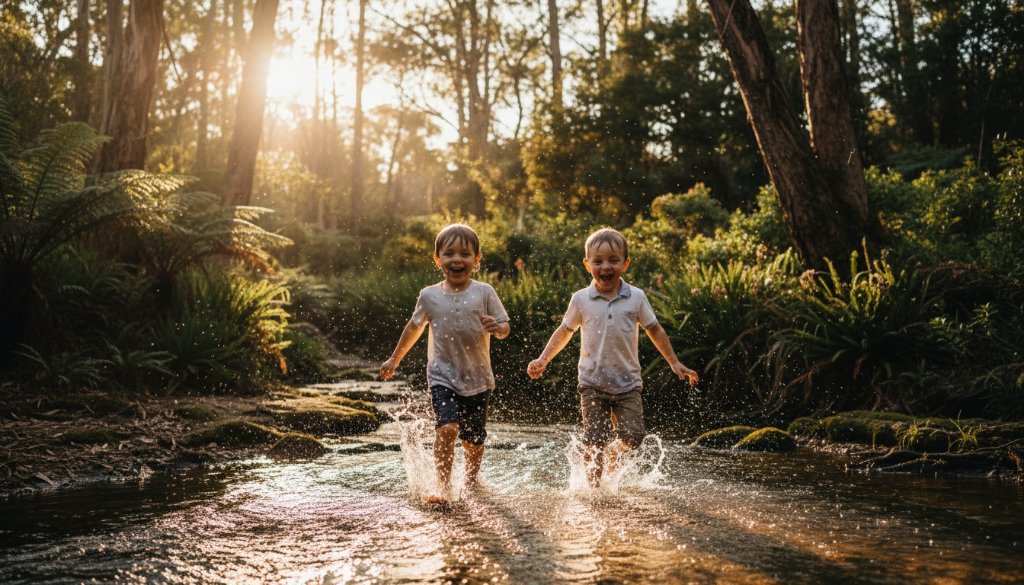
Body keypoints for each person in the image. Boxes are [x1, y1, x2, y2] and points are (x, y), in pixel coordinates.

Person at [526, 227, 698, 487]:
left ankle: (613, 457)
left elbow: (654, 329)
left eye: (613, 260)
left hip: (628, 383)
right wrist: (543, 359)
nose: (605, 266)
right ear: (587, 265)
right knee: (594, 439)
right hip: (592, 383)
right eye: (598, 261)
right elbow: (564, 331)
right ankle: (594, 491)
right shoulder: (581, 299)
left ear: (625, 264)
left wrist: (674, 362)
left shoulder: (636, 297)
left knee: (634, 436)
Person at [380, 223, 510, 504]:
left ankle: (472, 481)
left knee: (473, 441)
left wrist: (496, 327)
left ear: (477, 260)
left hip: (477, 377)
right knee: (448, 428)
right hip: (442, 376)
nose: (457, 259)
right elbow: (413, 328)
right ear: (437, 258)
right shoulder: (430, 295)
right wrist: (394, 358)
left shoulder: (484, 292)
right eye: (449, 253)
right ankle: (442, 487)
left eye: (465, 253)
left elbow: (505, 327)